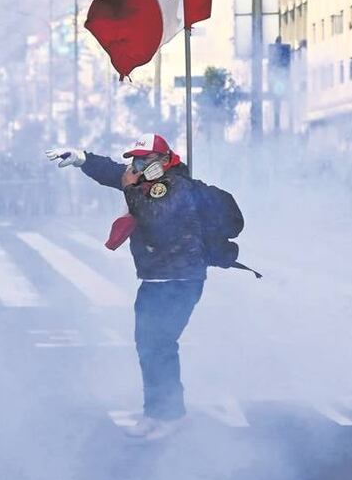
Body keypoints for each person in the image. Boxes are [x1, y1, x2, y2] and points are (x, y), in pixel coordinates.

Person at [45, 134, 237, 442]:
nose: (136, 167)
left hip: (179, 279)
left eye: (143, 160)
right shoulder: (147, 183)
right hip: (157, 279)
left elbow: (153, 217)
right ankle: (156, 412)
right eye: (134, 160)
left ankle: (170, 415)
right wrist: (83, 158)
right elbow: (117, 175)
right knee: (150, 347)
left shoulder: (175, 187)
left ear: (163, 161)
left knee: (159, 346)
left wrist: (130, 187)